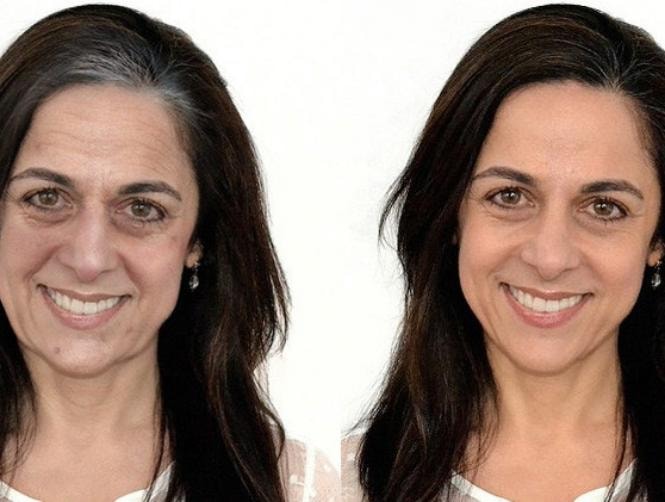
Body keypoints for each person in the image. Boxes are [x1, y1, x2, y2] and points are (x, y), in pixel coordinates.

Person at [0, 4, 337, 501]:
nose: (89, 258)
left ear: (199, 239)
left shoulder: (302, 488)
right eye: (46, 198)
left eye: (142, 209)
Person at [343, 4, 665, 501]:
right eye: (509, 197)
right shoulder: (335, 483)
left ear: (658, 239)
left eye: (604, 207)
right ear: (451, 213)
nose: (550, 257)